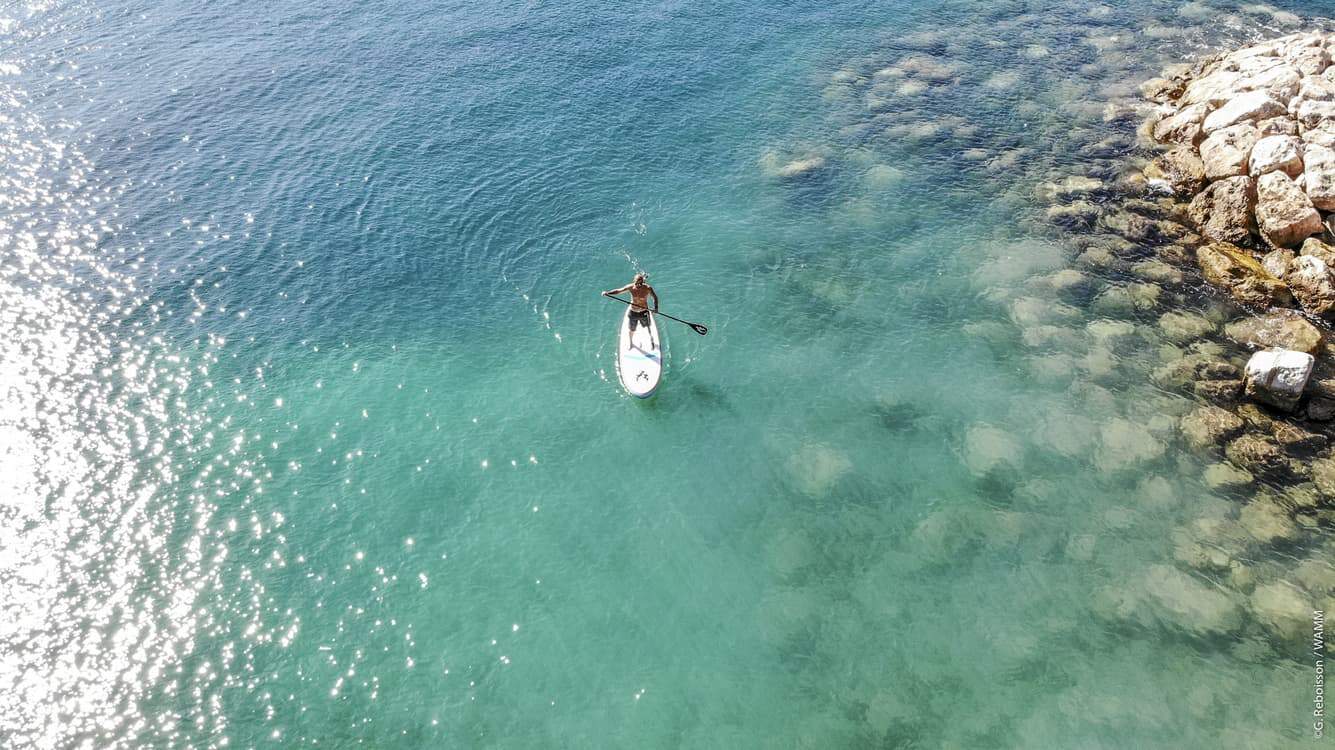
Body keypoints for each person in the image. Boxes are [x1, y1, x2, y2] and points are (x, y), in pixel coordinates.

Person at [602, 272, 659, 350]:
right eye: (637, 283)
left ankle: (651, 340)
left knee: (648, 327)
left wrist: (656, 308)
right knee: (631, 329)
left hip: (644, 312)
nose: (638, 285)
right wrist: (607, 293)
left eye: (640, 284)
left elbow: (655, 297)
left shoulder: (648, 288)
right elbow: (618, 291)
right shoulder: (630, 287)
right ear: (634, 281)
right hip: (633, 312)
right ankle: (631, 343)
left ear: (643, 282)